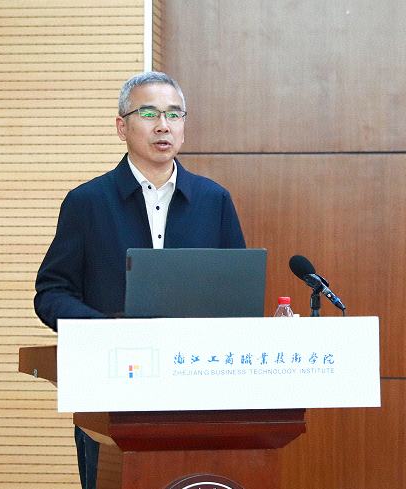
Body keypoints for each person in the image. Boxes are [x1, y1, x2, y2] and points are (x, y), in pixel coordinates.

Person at [33, 71, 247, 489]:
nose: (163, 125)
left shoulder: (214, 200)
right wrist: (105, 332)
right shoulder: (87, 202)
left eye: (174, 114)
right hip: (111, 391)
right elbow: (52, 293)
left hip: (199, 390)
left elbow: (238, 293)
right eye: (149, 114)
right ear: (122, 127)